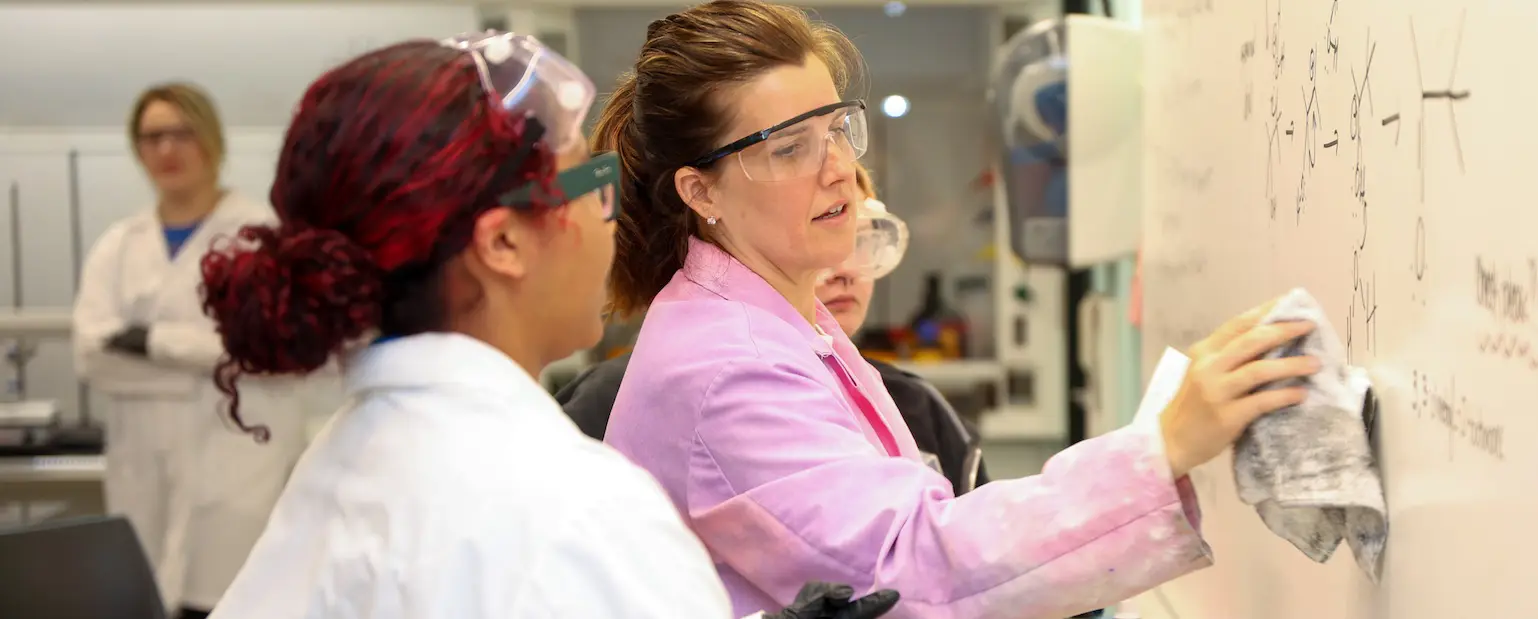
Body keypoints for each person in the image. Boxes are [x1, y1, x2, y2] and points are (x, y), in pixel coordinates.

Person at [594, 2, 1321, 617]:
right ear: (702, 192)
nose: (839, 167)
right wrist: (1163, 447)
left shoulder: (781, 318)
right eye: (789, 148)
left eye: (838, 127)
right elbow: (909, 566)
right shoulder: (726, 365)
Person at [194, 32, 894, 619]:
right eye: (586, 185)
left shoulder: (337, 464)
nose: (607, 216)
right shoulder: (571, 511)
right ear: (502, 244)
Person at [557, 165, 989, 495]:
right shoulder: (627, 397)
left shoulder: (915, 409)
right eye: (822, 230)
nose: (843, 271)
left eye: (860, 240)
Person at [71, 82, 329, 619]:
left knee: (234, 600)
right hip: (145, 471)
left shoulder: (262, 237)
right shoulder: (119, 245)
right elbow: (91, 356)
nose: (167, 149)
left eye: (181, 133)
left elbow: (282, 354)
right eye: (152, 137)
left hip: (237, 468)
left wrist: (152, 343)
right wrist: (215, 361)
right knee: (142, 600)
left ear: (211, 139)